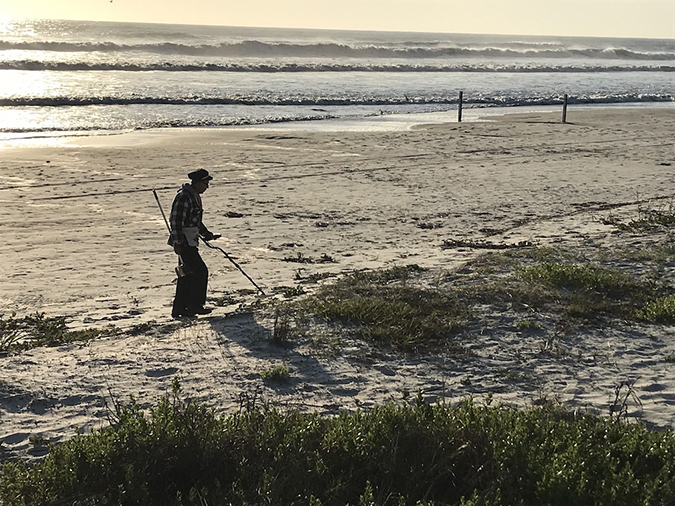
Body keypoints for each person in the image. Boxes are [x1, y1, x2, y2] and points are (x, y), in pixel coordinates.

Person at [168, 168, 220, 318]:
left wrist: (207, 234)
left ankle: (180, 308)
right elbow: (176, 221)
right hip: (184, 243)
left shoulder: (194, 196)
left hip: (191, 241)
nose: (207, 186)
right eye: (205, 183)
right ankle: (194, 305)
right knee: (200, 271)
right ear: (197, 182)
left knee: (187, 275)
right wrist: (178, 242)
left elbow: (195, 221)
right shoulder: (184, 197)